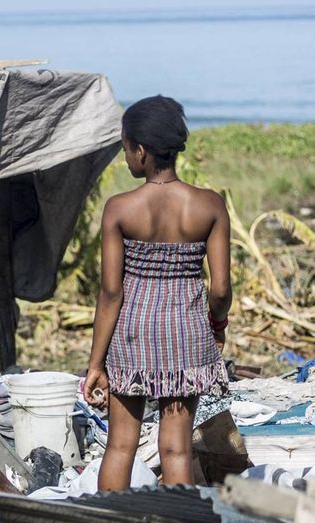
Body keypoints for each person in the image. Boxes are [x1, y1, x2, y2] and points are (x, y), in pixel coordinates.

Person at [84, 95, 231, 491]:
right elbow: (219, 289)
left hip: (132, 335)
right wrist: (217, 324)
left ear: (142, 151)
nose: (126, 156)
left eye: (126, 147)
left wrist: (95, 363)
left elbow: (111, 293)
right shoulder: (210, 205)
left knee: (119, 446)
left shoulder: (120, 209)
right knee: (177, 451)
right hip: (186, 333)